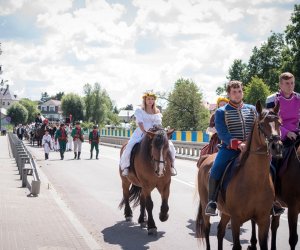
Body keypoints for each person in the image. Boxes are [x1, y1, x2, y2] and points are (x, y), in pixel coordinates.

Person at [205, 81, 257, 216]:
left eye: (239, 91)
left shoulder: (252, 109)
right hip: (230, 149)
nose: (237, 94)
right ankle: (212, 202)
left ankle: (273, 201)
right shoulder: (221, 112)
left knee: (271, 166)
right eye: (234, 92)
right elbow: (222, 133)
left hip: (252, 149)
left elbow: (258, 128)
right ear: (229, 94)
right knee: (215, 169)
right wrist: (239, 144)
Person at [119, 91, 177, 177]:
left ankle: (172, 166)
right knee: (129, 146)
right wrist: (146, 133)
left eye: (152, 99)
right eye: (148, 99)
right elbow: (140, 123)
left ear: (154, 101)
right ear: (145, 100)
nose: (150, 101)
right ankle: (126, 167)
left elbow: (159, 125)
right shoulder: (140, 110)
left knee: (170, 146)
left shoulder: (157, 111)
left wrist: (160, 133)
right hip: (141, 132)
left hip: (155, 134)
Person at [266, 72, 300, 215]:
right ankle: (272, 199)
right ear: (280, 84)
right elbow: (270, 120)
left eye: (292, 83)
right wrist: (286, 132)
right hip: (279, 135)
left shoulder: (299, 98)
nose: (290, 86)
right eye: (287, 83)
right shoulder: (272, 99)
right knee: (273, 161)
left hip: (298, 133)